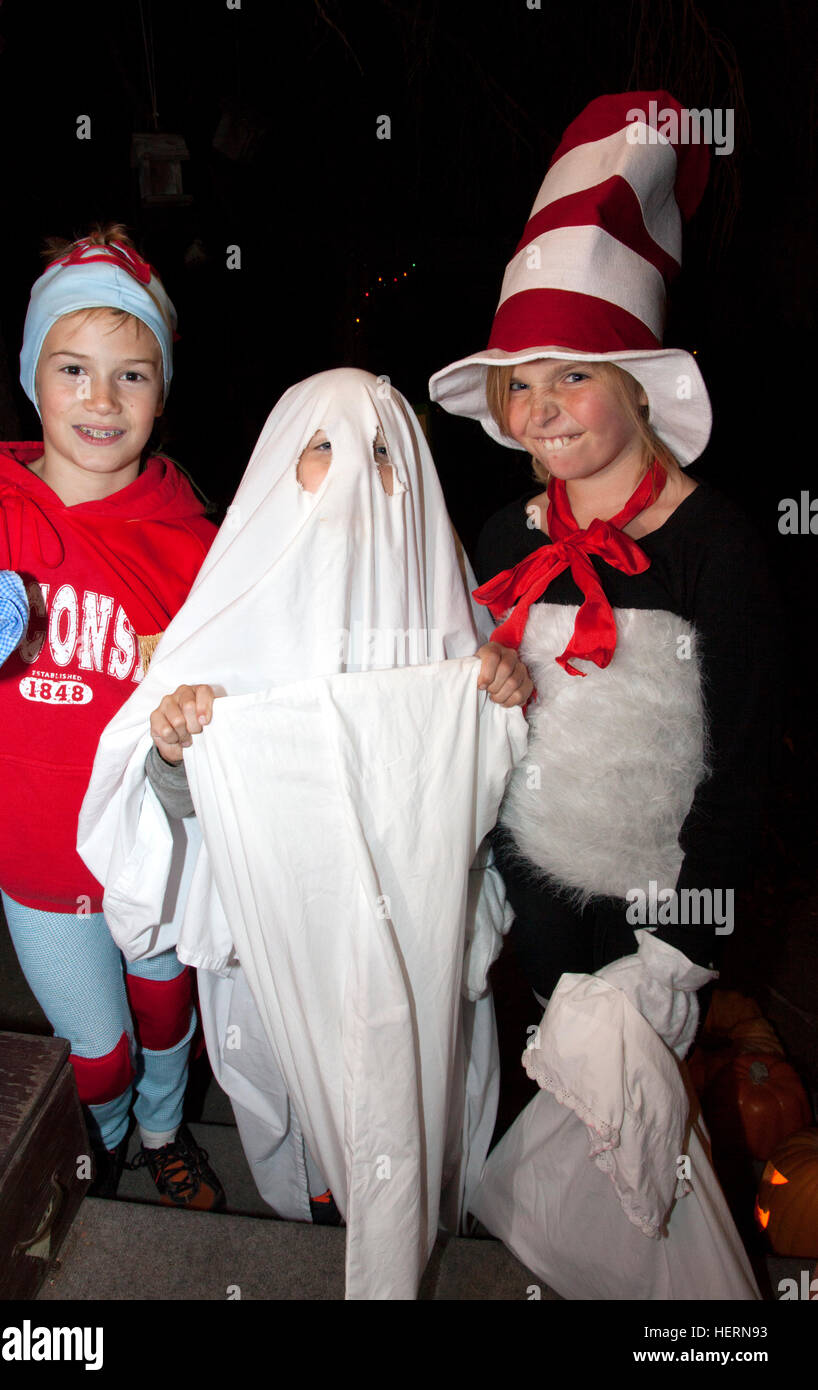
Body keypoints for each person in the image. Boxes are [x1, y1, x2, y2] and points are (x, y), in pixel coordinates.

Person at [78, 367, 531, 1298]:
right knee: (313, 1112)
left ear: (413, 475)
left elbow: (490, 801)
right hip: (282, 942)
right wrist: (175, 748)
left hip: (412, 944)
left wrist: (502, 705)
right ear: (282, 467)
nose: (356, 473)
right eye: (323, 448)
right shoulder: (230, 607)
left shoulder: (447, 611)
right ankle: (325, 1212)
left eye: (380, 453)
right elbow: (165, 816)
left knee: (410, 1105)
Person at [427, 91, 774, 1298]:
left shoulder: (717, 547)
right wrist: (489, 689)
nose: (539, 410)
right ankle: (550, 1262)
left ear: (637, 390)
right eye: (519, 387)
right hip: (532, 882)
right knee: (550, 1085)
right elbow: (460, 715)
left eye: (573, 376)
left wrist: (681, 941)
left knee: (637, 1114)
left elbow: (750, 760)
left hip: (659, 897)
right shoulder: (489, 530)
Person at [0, 225, 225, 1208]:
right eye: (73, 368)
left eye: (132, 375)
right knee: (94, 1049)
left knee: (164, 1008)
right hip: (30, 859)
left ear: (161, 390)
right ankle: (98, 1144)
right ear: (32, 376)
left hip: (150, 851)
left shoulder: (196, 544)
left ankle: (163, 1128)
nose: (101, 401)